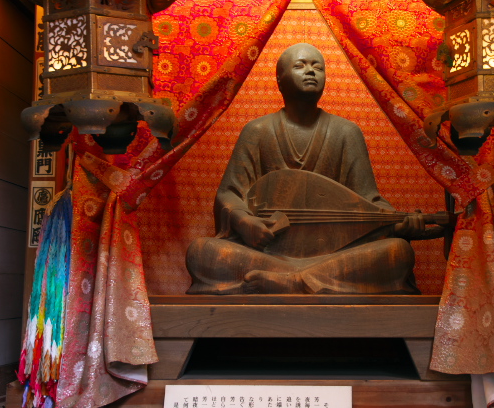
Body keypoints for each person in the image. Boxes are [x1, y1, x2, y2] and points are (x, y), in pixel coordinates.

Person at [186, 43, 439, 294]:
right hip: (269, 253)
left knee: (397, 252)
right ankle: (312, 280)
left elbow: (368, 201)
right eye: (300, 65)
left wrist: (397, 224)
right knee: (202, 252)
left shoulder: (346, 133)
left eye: (318, 67)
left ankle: (295, 281)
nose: (310, 71)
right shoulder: (258, 131)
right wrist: (244, 221)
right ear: (279, 80)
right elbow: (229, 193)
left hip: (335, 252)